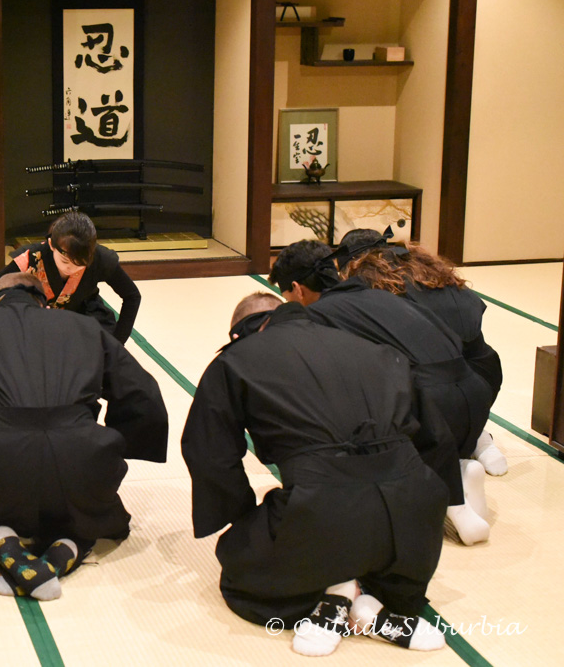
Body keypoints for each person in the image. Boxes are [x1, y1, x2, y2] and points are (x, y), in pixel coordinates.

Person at [182, 292, 448, 657]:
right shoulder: (372, 347)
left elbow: (209, 453)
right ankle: (371, 605)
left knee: (242, 566)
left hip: (322, 505)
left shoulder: (237, 360)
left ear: (242, 333)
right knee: (381, 547)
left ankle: (333, 596)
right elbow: (436, 438)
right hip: (414, 512)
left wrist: (242, 516)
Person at [0, 272, 168, 600]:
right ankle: (71, 544)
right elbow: (144, 396)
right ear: (44, 301)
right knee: (91, 512)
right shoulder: (85, 327)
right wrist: (115, 447)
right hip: (83, 463)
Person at [269, 240, 493, 545]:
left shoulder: (319, 315)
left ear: (296, 288)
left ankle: (451, 486)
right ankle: (457, 470)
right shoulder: (379, 291)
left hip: (433, 412)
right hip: (475, 399)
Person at [335, 228, 507, 475]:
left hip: (437, 388)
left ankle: (454, 459)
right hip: (484, 377)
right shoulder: (421, 265)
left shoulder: (369, 283)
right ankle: (476, 438)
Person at [0, 212, 141, 344]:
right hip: (37, 324)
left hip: (81, 319)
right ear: (51, 244)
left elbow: (132, 296)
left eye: (79, 263)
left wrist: (119, 343)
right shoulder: (32, 258)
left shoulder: (99, 258)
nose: (70, 268)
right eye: (65, 260)